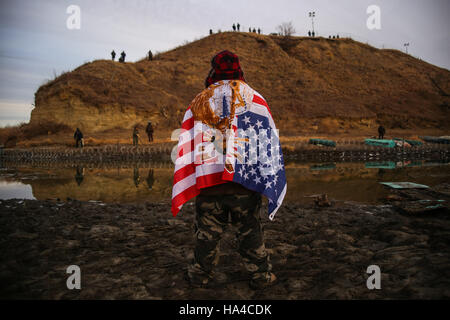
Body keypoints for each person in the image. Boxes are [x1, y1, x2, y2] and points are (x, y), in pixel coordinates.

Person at [172, 50, 286, 290]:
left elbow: (188, 143)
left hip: (209, 183)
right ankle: (261, 276)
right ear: (239, 69)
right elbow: (269, 142)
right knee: (250, 229)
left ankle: (201, 274)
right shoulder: (256, 100)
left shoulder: (198, 102)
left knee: (207, 232)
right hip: (245, 185)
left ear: (213, 69)